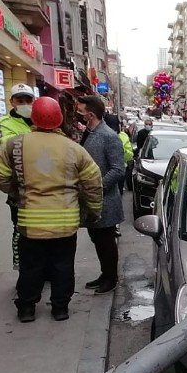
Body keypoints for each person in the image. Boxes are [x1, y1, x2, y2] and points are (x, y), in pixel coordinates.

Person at [0, 97, 102, 322]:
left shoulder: (16, 144)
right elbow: (93, 182)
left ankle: (27, 308)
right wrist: (94, 210)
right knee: (62, 266)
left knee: (30, 267)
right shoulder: (73, 148)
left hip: (31, 222)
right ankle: (60, 308)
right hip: (65, 223)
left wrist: (15, 191)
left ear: (34, 117)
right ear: (59, 119)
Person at [77, 95, 125, 294]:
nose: (77, 115)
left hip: (105, 200)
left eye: (80, 112)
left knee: (106, 242)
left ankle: (111, 278)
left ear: (90, 114)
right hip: (91, 199)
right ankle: (104, 274)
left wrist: (97, 188)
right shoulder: (90, 132)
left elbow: (117, 169)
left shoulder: (108, 136)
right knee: (97, 239)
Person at [0, 85, 36, 268]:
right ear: (11, 102)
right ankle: (23, 269)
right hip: (19, 186)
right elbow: (8, 146)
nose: (25, 104)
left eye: (29, 100)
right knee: (20, 230)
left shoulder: (40, 119)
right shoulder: (4, 123)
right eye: (20, 101)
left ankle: (43, 269)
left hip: (43, 184)